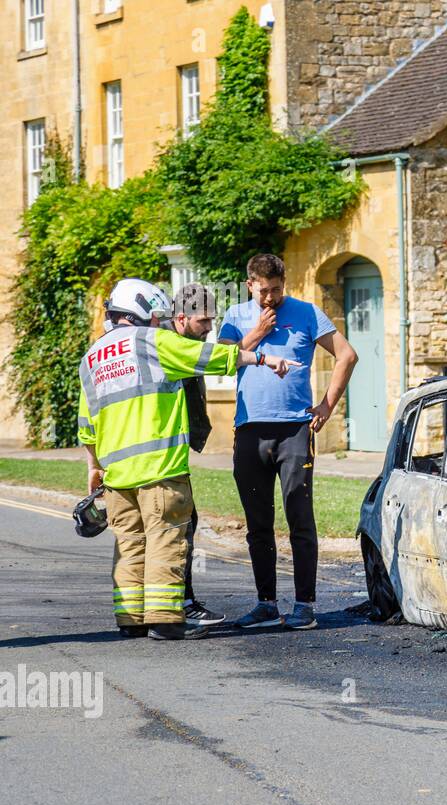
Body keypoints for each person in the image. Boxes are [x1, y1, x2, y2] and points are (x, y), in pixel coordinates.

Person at [79, 278, 298, 640]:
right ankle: (166, 620)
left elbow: (87, 424)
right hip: (159, 468)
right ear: (143, 313)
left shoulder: (91, 358)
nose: (157, 322)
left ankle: (130, 621)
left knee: (131, 546)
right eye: (155, 316)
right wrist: (261, 357)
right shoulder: (153, 341)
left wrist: (93, 466)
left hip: (116, 475)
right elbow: (211, 358)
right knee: (166, 539)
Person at [218, 253, 358, 631]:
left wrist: (327, 405)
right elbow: (223, 362)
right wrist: (258, 333)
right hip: (249, 430)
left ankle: (304, 605)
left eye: (276, 290)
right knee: (257, 523)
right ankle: (265, 604)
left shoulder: (308, 313)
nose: (270, 298)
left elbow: (347, 355)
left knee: (299, 517)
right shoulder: (234, 316)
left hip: (294, 430)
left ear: (284, 283)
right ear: (250, 285)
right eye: (263, 291)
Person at [165, 283, 225, 626]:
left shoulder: (185, 341)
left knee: (178, 526)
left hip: (167, 454)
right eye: (204, 321)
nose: (210, 328)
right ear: (182, 317)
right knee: (178, 527)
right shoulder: (169, 344)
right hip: (158, 458)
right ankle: (179, 606)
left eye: (212, 320)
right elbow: (221, 361)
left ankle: (154, 609)